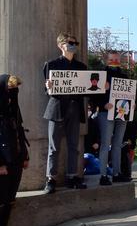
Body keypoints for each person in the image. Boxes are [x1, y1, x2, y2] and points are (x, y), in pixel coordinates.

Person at [43, 32, 88, 193]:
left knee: (73, 145)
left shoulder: (81, 67)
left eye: (75, 43)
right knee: (54, 146)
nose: (73, 45)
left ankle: (72, 176)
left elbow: (87, 89)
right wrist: (48, 87)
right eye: (70, 42)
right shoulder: (51, 65)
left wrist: (100, 88)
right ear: (61, 45)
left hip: (75, 109)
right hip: (57, 109)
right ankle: (51, 179)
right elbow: (47, 90)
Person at [0, 75, 30, 226]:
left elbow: (20, 132)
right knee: (1, 201)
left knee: (9, 201)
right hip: (3, 164)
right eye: (10, 90)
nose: (13, 94)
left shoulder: (13, 111)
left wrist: (24, 156)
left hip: (15, 160)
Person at [91, 51, 128, 186]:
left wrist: (132, 103)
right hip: (105, 113)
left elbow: (129, 94)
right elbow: (92, 95)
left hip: (122, 113)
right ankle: (103, 175)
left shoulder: (124, 76)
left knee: (118, 144)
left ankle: (117, 173)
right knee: (105, 145)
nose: (115, 61)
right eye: (112, 59)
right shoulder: (100, 75)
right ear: (106, 60)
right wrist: (103, 104)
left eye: (117, 59)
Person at [83, 103, 102, 176]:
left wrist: (97, 143)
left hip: (91, 152)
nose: (89, 110)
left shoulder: (93, 122)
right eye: (87, 108)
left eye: (89, 109)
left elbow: (98, 135)